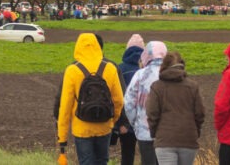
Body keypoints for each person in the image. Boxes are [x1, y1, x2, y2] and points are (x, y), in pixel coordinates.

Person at [57, 33, 124, 165]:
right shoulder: (110, 68)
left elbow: (65, 107)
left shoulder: (72, 71)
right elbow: (119, 101)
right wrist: (112, 120)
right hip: (104, 126)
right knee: (102, 161)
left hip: (82, 129)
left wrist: (62, 139)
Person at [146, 51, 205, 165]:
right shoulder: (192, 86)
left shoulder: (157, 87)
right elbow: (200, 113)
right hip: (188, 139)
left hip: (165, 140)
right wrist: (195, 131)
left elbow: (152, 113)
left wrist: (155, 133)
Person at [124, 41, 168, 165]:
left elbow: (129, 103)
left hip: (145, 132)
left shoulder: (140, 75)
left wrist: (135, 123)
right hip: (167, 133)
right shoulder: (171, 75)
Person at [116, 34, 145, 165]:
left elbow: (117, 98)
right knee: (149, 157)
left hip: (126, 123)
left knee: (127, 156)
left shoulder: (120, 69)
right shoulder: (147, 69)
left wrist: (120, 123)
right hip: (146, 123)